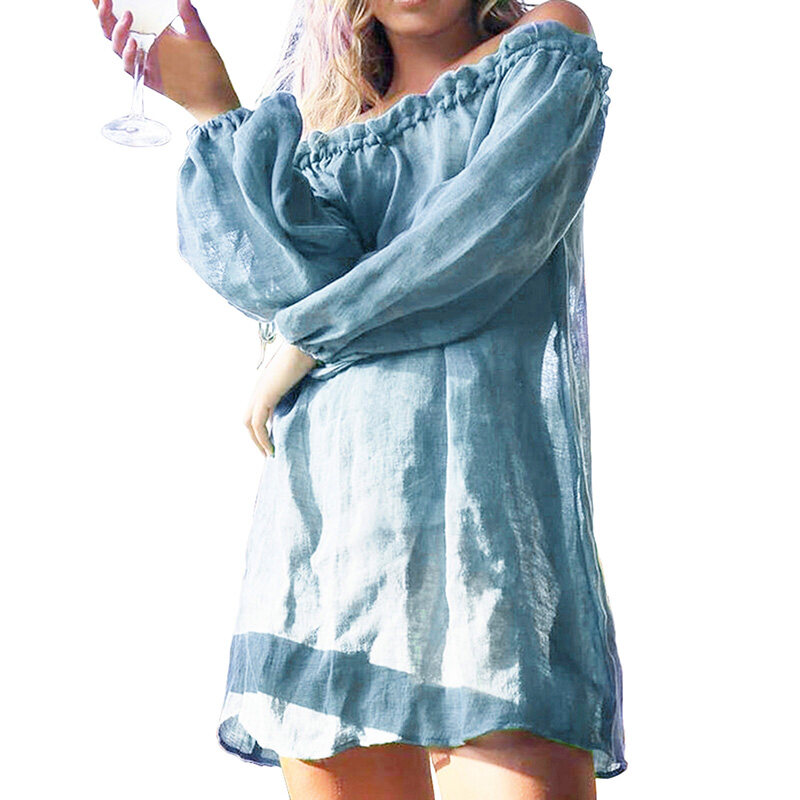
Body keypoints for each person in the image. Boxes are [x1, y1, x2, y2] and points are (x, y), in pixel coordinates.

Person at [95, 1, 626, 797]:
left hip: (484, 535)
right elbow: (269, 280)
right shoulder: (321, 130)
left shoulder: (545, 46)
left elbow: (481, 241)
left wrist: (306, 341)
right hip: (324, 546)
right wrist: (212, 102)